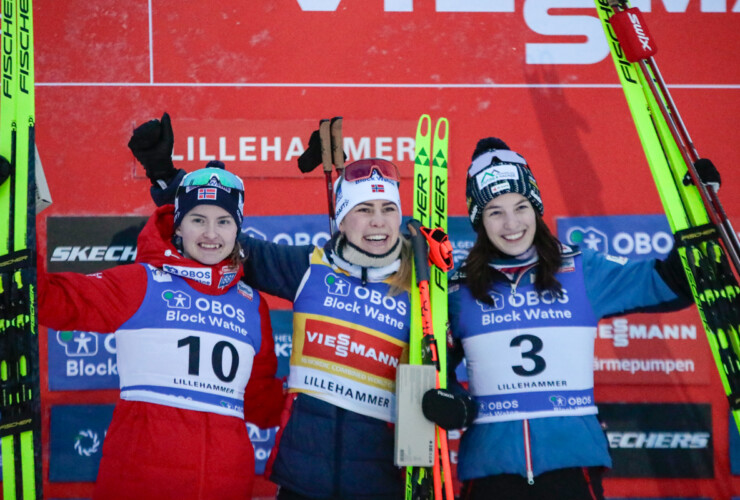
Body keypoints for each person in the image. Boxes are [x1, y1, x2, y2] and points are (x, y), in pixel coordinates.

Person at [128, 113, 414, 499]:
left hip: (382, 484)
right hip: (302, 480)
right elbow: (220, 239)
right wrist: (169, 181)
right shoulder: (309, 269)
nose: (377, 222)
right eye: (363, 210)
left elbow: (450, 370)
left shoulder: (424, 288)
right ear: (342, 220)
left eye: (388, 209)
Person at [421, 137, 697, 500]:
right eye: (495, 212)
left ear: (536, 207)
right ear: (479, 220)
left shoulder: (581, 271)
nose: (511, 223)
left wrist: (696, 211)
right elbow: (435, 370)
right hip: (491, 471)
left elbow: (671, 284)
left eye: (520, 206)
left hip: (572, 468)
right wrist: (453, 403)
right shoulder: (456, 291)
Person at [39, 165, 285, 499]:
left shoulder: (251, 304)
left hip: (227, 485)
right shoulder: (142, 283)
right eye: (198, 219)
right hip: (140, 484)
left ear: (237, 228)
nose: (211, 234)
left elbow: (262, 402)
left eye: (223, 221)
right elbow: (51, 299)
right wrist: (15, 221)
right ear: (179, 225)